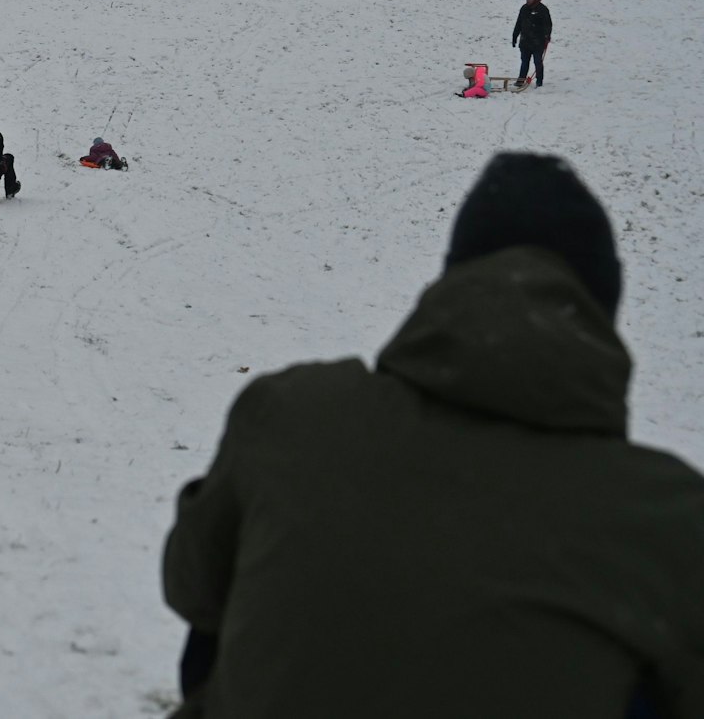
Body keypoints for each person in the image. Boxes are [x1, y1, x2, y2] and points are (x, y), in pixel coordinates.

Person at [161, 153, 704, 719]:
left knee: (245, 586)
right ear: (601, 308)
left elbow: (189, 584)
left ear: (455, 278)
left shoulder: (295, 417)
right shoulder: (668, 515)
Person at [512, 0, 552, 89]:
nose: (528, 1)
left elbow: (548, 24)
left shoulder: (542, 9)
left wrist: (547, 36)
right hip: (525, 41)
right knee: (524, 62)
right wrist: (514, 36)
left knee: (538, 62)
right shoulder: (524, 9)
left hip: (538, 42)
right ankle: (521, 80)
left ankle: (539, 81)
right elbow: (519, 24)